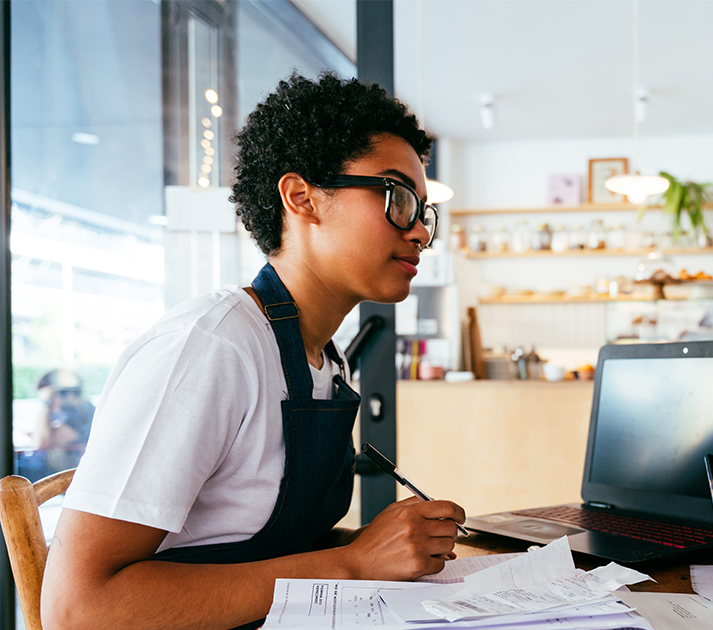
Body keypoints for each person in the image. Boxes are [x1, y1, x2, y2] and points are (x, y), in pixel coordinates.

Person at [42, 73, 465, 630]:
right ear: (302, 198)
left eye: (423, 213)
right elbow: (78, 610)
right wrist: (350, 563)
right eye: (398, 197)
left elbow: (253, 540)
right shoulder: (211, 348)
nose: (418, 233)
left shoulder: (321, 359)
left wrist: (370, 547)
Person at [17, 369, 95, 481]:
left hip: (58, 476)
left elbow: (41, 441)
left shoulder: (82, 412)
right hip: (53, 472)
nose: (53, 406)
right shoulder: (69, 410)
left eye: (51, 398)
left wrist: (46, 403)